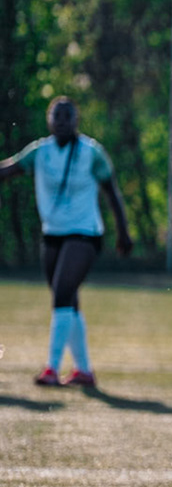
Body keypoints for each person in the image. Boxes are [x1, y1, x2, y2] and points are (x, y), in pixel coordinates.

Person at [0, 96, 133, 386]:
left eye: (67, 116)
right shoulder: (39, 152)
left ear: (77, 120)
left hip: (85, 233)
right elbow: (7, 171)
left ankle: (51, 368)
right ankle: (84, 371)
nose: (61, 121)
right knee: (68, 301)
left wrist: (123, 232)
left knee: (61, 293)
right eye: (56, 116)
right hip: (52, 234)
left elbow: (112, 193)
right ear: (49, 121)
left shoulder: (91, 152)